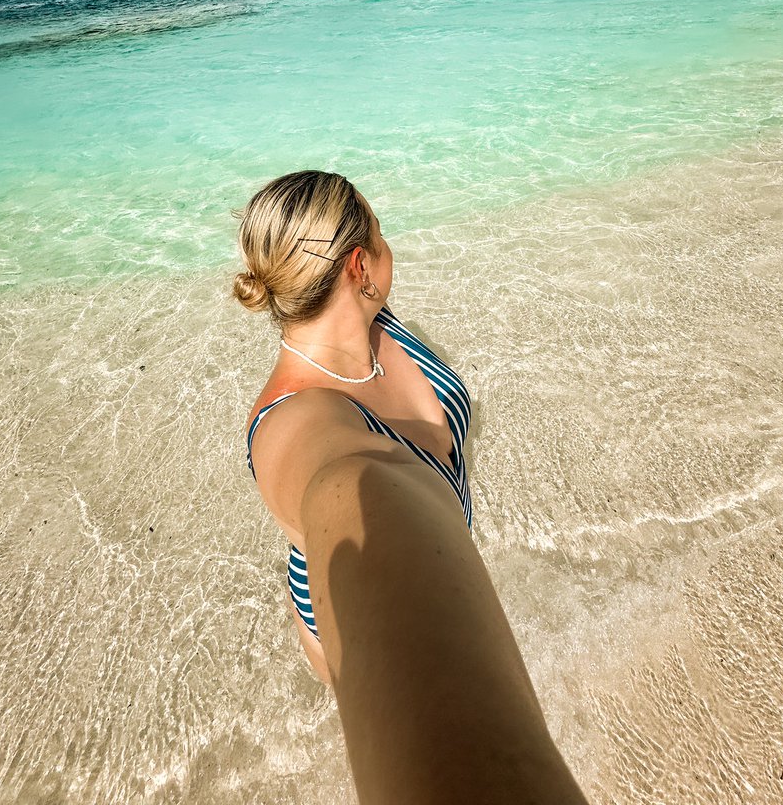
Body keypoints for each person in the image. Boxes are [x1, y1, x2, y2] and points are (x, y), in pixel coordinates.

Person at [235, 170, 588, 804]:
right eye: (381, 232)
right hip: (354, 598)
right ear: (357, 263)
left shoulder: (373, 323)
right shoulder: (292, 421)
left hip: (432, 538)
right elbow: (345, 477)